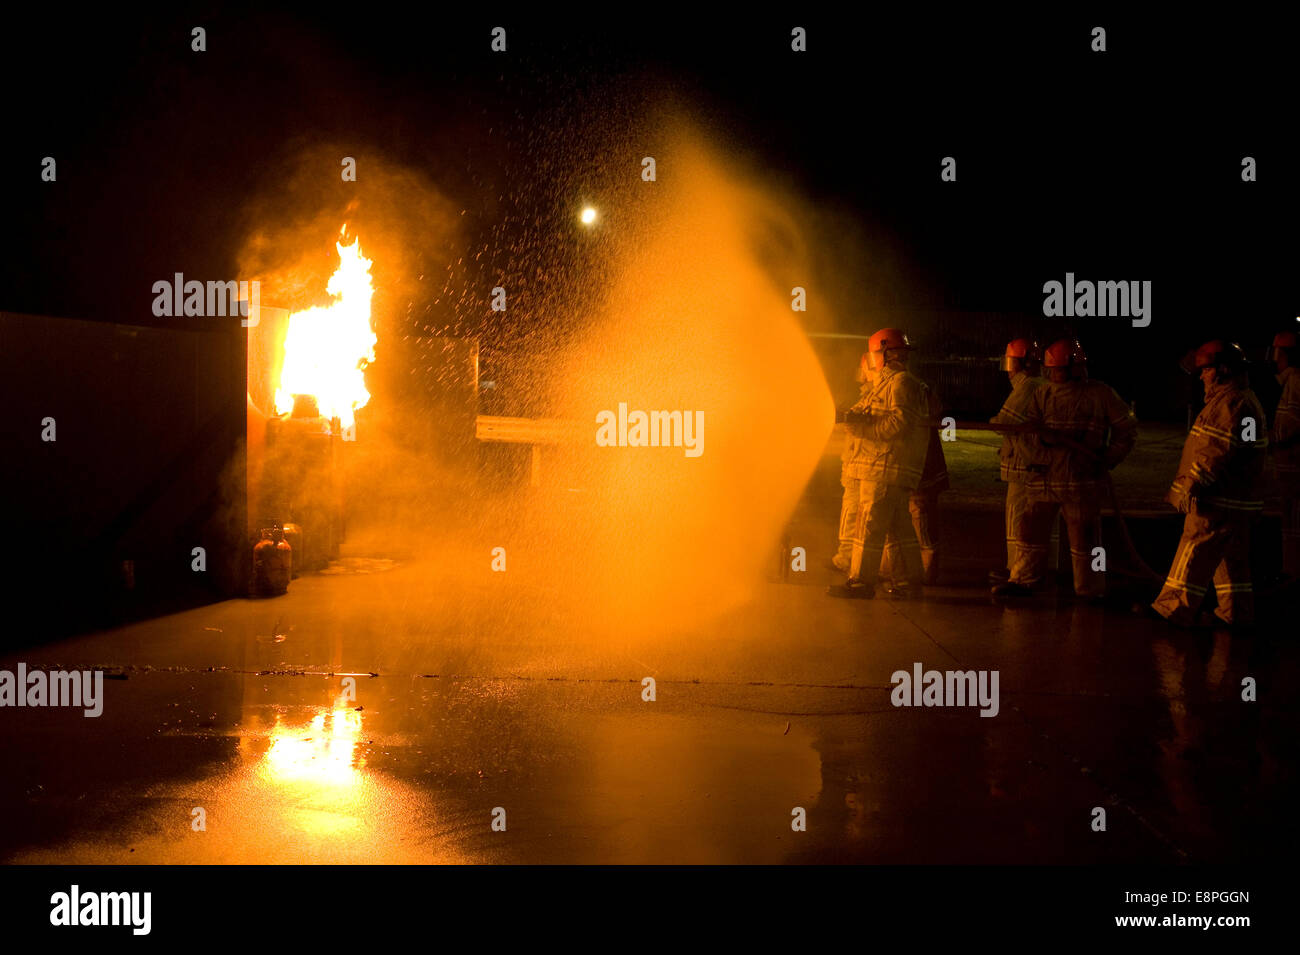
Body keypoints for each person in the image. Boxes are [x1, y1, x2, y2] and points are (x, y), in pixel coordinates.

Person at [993, 338, 1136, 599]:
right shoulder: (1043, 393)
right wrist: (1038, 451)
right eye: (1050, 370)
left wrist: (1107, 458)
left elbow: (1126, 430)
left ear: (1076, 368)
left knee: (1088, 541)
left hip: (1080, 483)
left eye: (1057, 369)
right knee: (1030, 533)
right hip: (1043, 479)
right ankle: (1024, 580)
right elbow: (1028, 431)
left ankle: (1091, 589)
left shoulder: (1100, 394)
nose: (1052, 375)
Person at [1151, 341, 1267, 627]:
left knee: (1193, 552)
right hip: (1237, 503)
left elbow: (1215, 450)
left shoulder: (1230, 403)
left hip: (1216, 501)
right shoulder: (1244, 399)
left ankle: (1172, 611)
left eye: (1206, 370)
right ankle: (1235, 615)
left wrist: (1191, 485)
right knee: (1232, 563)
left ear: (1223, 370)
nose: (1201, 376)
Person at [829, 328, 930, 599]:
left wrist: (863, 430)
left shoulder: (901, 383)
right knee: (898, 530)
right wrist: (853, 418)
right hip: (882, 468)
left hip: (883, 468)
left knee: (869, 527)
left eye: (874, 354)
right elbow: (873, 415)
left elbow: (898, 422)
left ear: (884, 354)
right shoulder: (886, 384)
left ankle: (861, 582)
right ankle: (908, 584)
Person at [987, 339, 1048, 584]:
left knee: (1018, 519)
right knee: (1036, 521)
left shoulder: (1027, 387)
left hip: (1023, 466)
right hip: (1035, 464)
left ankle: (1017, 570)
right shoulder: (1042, 384)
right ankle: (1037, 570)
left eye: (1010, 363)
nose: (1008, 370)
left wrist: (992, 422)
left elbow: (1004, 422)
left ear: (1021, 364)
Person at [882, 381, 948, 588]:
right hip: (910, 465)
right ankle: (896, 568)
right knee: (902, 518)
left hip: (922, 468)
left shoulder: (911, 390)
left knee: (922, 519)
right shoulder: (914, 388)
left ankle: (926, 572)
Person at [832, 351, 874, 574]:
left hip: (863, 467)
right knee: (853, 514)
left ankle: (849, 560)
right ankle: (847, 558)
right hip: (856, 466)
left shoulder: (878, 393)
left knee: (858, 516)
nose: (863, 375)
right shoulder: (869, 394)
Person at [1268, 331, 1300, 580]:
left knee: (1294, 520)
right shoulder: (1290, 382)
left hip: (1294, 467)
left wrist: (1260, 438)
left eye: (1276, 351)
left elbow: (1287, 427)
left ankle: (1292, 570)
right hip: (1289, 467)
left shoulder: (1296, 381)